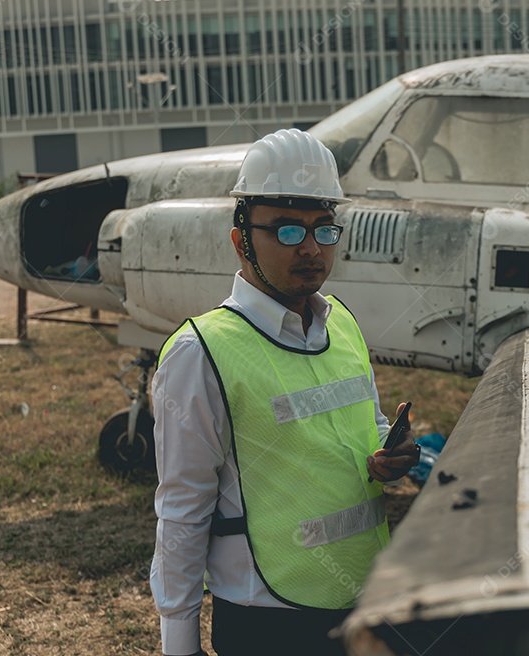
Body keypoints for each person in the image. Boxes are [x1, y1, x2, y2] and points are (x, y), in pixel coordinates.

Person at [149, 128, 421, 656]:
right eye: (288, 231)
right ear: (241, 240)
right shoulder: (199, 353)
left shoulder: (340, 321)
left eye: (324, 229)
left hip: (367, 600)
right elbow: (182, 510)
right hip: (270, 622)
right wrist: (179, 644)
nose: (312, 249)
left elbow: (362, 430)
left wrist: (389, 454)